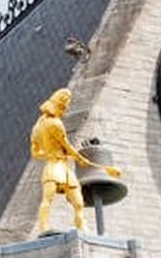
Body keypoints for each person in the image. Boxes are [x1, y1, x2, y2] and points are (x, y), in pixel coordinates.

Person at [32, 88, 120, 233]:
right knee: (49, 198)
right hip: (55, 166)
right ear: (60, 105)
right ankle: (44, 226)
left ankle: (80, 225)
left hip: (60, 165)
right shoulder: (55, 124)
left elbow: (35, 152)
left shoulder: (38, 126)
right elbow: (67, 146)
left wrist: (48, 153)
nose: (65, 111)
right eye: (64, 107)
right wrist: (80, 158)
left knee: (77, 199)